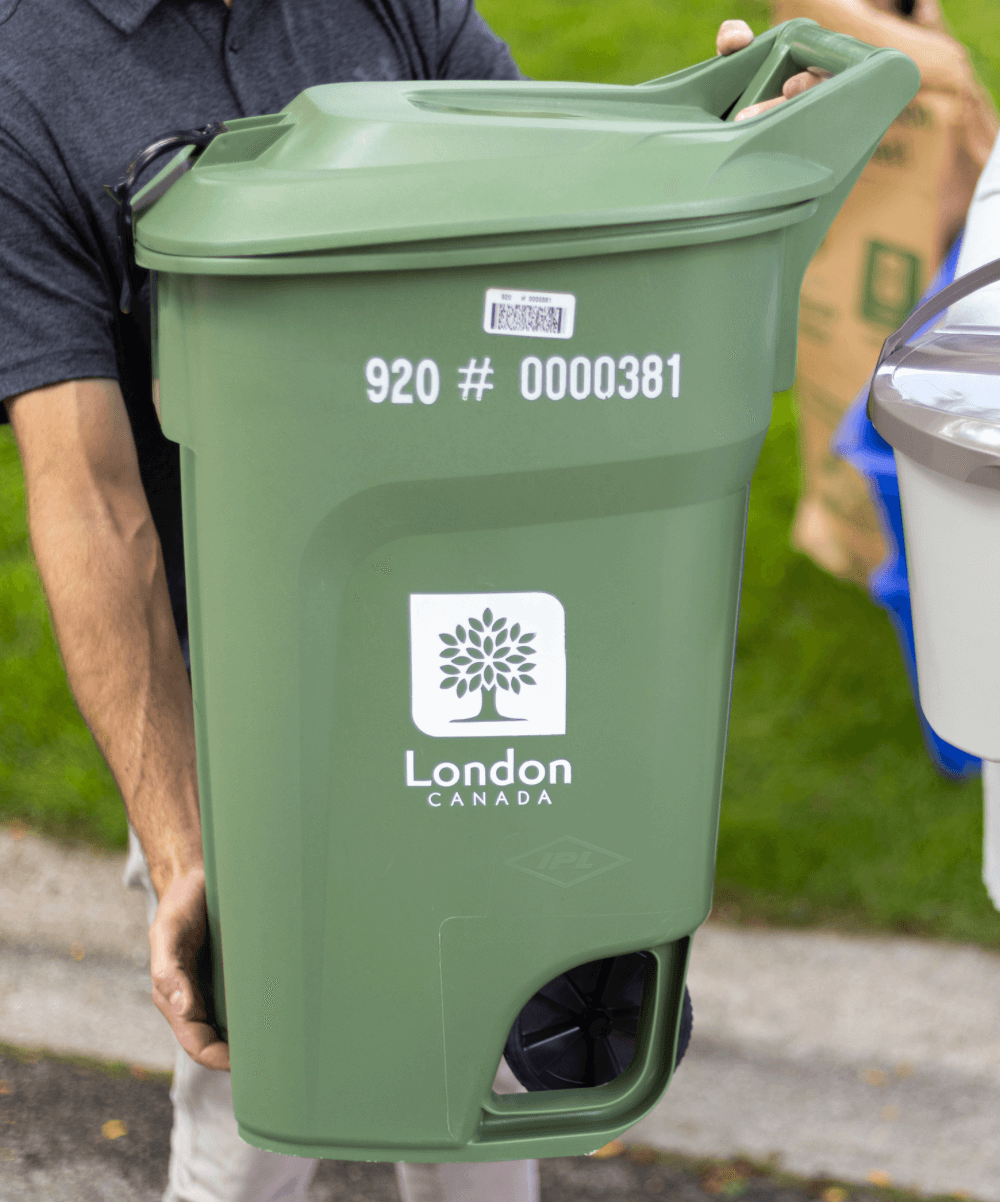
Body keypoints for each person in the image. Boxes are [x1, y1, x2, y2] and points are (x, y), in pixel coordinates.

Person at [0, 7, 815, 1199]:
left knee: (482, 1112)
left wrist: (723, 157)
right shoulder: (26, 78)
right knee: (254, 1113)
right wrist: (188, 847)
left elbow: (558, 215)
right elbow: (89, 497)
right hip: (265, 721)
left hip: (480, 648)